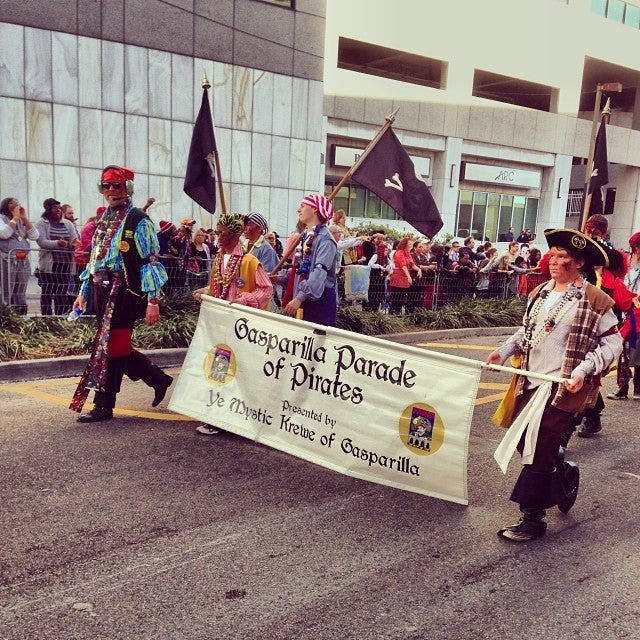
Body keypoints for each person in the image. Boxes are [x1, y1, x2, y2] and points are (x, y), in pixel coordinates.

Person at [486, 228, 622, 542]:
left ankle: (532, 519)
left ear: (579, 265)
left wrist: (583, 369)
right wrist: (503, 352)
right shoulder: (541, 293)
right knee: (523, 440)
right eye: (555, 255)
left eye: (565, 258)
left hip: (563, 387)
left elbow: (612, 345)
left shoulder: (596, 300)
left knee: (541, 444)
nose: (556, 262)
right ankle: (564, 474)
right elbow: (527, 333)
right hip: (531, 382)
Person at [69, 165, 172, 423]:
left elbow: (151, 261)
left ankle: (104, 405)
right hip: (101, 291)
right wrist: (83, 293)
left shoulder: (139, 220)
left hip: (124, 293)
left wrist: (153, 301)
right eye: (107, 186)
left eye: (117, 185)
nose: (112, 191)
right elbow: (95, 261)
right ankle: (157, 378)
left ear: (127, 188)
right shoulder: (103, 221)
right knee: (115, 346)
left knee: (111, 348)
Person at [192, 213, 273, 435]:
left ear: (236, 235)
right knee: (220, 367)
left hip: (242, 326)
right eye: (217, 232)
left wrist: (243, 300)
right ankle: (218, 415)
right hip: (220, 324)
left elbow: (266, 290)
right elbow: (220, 288)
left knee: (241, 370)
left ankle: (241, 416)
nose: (218, 237)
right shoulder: (218, 260)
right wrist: (205, 292)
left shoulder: (249, 261)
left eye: (223, 233)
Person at [575, 214, 637, 436]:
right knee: (577, 371)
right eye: (588, 230)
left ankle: (567, 430)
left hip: (599, 330)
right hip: (572, 324)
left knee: (585, 371)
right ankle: (592, 414)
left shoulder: (612, 273)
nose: (591, 233)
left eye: (596, 231)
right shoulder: (575, 263)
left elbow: (626, 304)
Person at [275, 195, 338, 326]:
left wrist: (299, 298)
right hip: (304, 299)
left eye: (302, 206)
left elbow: (319, 273)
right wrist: (280, 278)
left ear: (315, 209)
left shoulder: (326, 239)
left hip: (319, 304)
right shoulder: (306, 236)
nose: (298, 210)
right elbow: (300, 270)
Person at [607, 231, 640, 401]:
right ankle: (623, 388)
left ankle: (637, 389)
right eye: (635, 248)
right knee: (625, 352)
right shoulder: (629, 266)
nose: (636, 252)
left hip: (637, 316)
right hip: (629, 314)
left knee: (636, 351)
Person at [35, 198, 80, 315]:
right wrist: (57, 243)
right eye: (55, 208)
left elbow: (74, 241)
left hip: (65, 264)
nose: (58, 210)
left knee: (61, 293)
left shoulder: (68, 224)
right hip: (49, 265)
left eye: (59, 208)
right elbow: (42, 242)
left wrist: (74, 245)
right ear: (48, 209)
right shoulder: (41, 223)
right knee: (47, 292)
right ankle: (46, 317)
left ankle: (60, 317)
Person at [0, 197, 39, 314]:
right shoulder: (2, 218)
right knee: (8, 288)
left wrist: (24, 219)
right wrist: (15, 218)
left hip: (23, 260)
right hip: (7, 259)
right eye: (12, 203)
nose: (16, 204)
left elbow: (35, 236)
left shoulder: (22, 221)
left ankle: (21, 314)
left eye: (17, 203)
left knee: (21, 289)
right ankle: (6, 314)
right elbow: (4, 234)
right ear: (5, 205)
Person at [388, 236, 419, 315]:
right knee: (397, 297)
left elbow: (412, 265)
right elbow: (403, 266)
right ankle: (393, 313)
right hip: (399, 277)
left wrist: (419, 269)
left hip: (404, 277)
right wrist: (409, 277)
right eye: (409, 243)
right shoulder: (399, 252)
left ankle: (397, 313)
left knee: (401, 297)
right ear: (405, 244)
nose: (411, 245)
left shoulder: (408, 253)